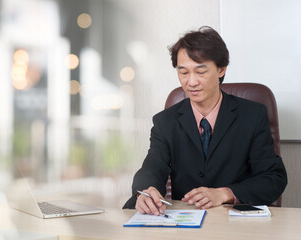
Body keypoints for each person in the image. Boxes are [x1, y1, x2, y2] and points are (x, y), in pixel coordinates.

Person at [122, 26, 287, 215]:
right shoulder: (165, 122)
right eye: (183, 72)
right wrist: (145, 191)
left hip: (235, 221)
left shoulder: (252, 115)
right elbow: (152, 168)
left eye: (200, 72)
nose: (191, 82)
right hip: (185, 222)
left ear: (221, 69)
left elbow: (273, 178)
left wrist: (225, 193)